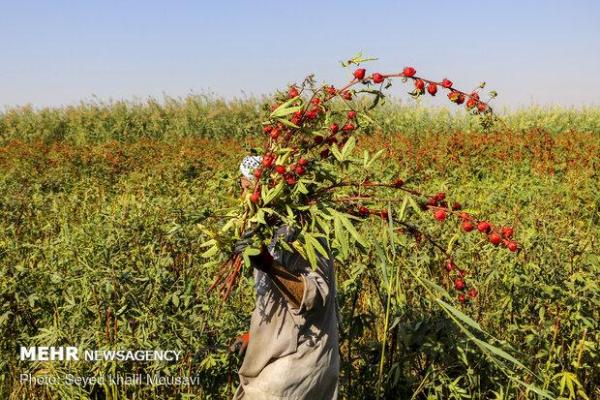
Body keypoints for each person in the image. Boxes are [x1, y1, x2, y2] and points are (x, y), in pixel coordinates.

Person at [232, 156, 340, 400]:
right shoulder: (268, 231)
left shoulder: (303, 231)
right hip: (284, 355)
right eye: (244, 187)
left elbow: (314, 297)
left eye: (250, 188)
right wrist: (256, 335)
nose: (246, 196)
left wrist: (267, 264)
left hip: (299, 364)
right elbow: (275, 298)